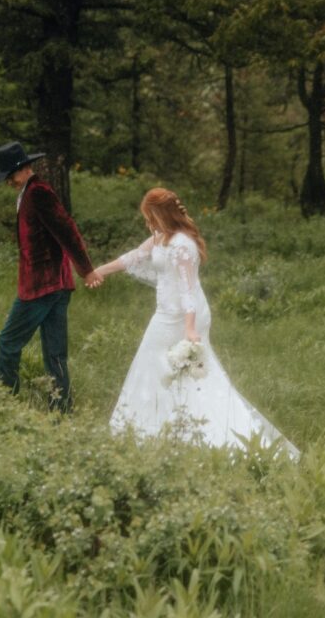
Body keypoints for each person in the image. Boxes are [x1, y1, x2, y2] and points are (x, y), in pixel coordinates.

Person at [94, 187, 299, 457]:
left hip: (184, 315)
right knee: (156, 364)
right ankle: (154, 428)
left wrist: (190, 329)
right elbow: (134, 256)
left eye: (150, 216)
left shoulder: (182, 245)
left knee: (179, 367)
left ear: (161, 214)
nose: (148, 222)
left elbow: (187, 289)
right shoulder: (160, 238)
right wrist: (99, 271)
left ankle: (189, 430)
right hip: (166, 310)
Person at [0, 141, 101, 412]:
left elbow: (66, 229)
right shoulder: (29, 191)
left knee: (7, 343)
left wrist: (87, 269)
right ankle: (61, 410)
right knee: (54, 353)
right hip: (54, 284)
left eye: (10, 176)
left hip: (42, 284)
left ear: (24, 169)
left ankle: (5, 404)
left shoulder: (38, 192)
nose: (8, 182)